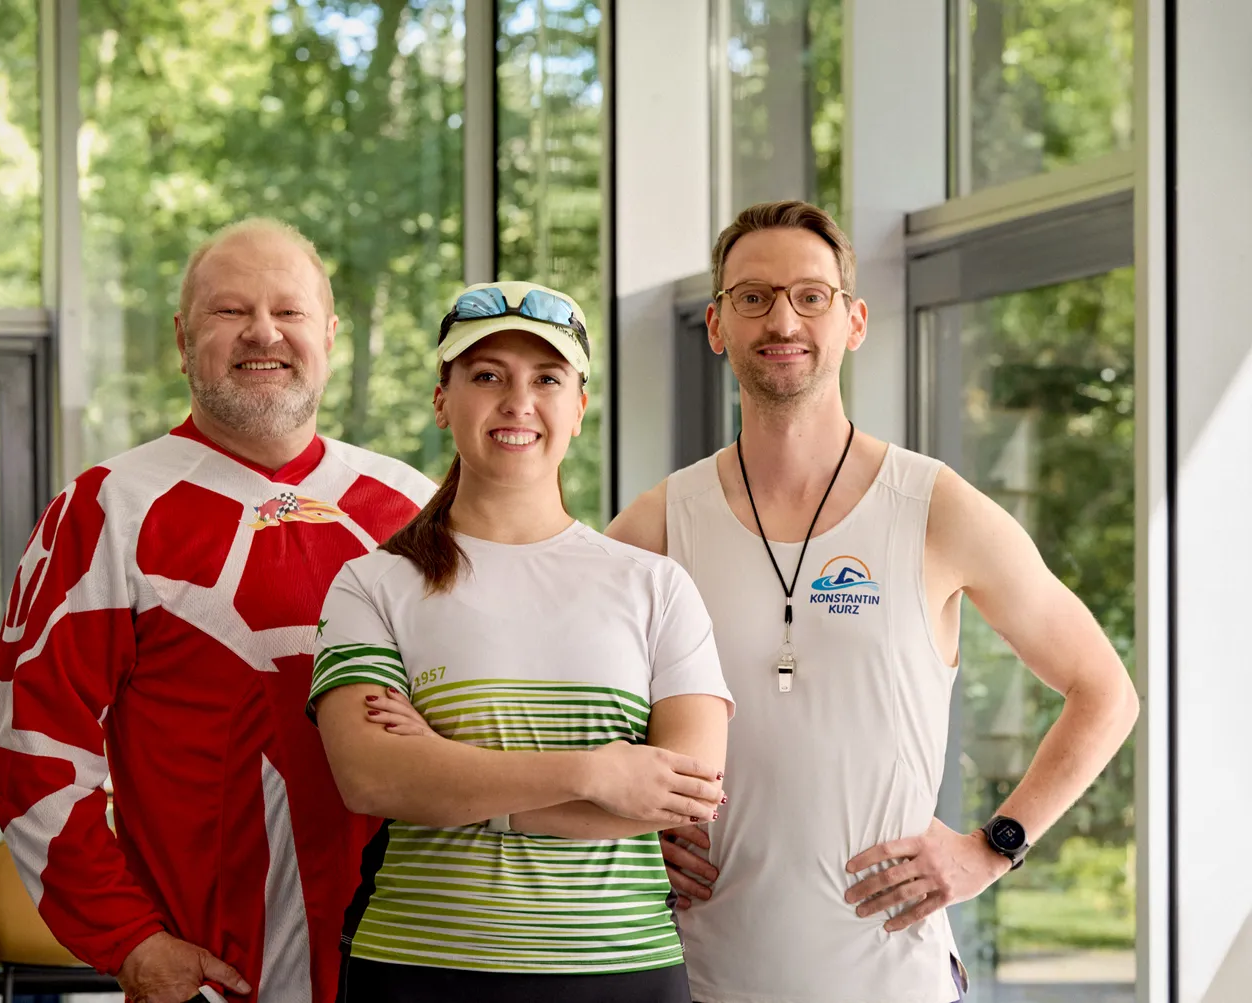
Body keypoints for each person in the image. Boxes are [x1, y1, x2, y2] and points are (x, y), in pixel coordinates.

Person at [605, 201, 1140, 1003]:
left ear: (854, 321)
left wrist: (993, 847)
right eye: (753, 297)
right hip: (706, 979)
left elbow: (1105, 691)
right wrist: (626, 829)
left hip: (898, 981)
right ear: (716, 325)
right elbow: (564, 710)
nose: (783, 319)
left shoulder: (932, 507)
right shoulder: (658, 524)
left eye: (810, 296)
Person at [0, 218, 435, 1003]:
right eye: (230, 310)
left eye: (289, 311)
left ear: (330, 335)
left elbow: (508, 715)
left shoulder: (416, 508)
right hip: (214, 981)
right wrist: (129, 940)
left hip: (416, 962)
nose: (263, 332)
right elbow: (34, 748)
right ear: (182, 337)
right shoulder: (107, 509)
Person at [306, 281, 735, 1003]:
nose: (518, 402)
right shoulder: (372, 583)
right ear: (442, 401)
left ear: (580, 408)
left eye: (546, 379)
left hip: (622, 972)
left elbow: (685, 795)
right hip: (420, 967)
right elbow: (372, 779)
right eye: (486, 376)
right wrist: (595, 772)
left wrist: (449, 778)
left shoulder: (656, 586)